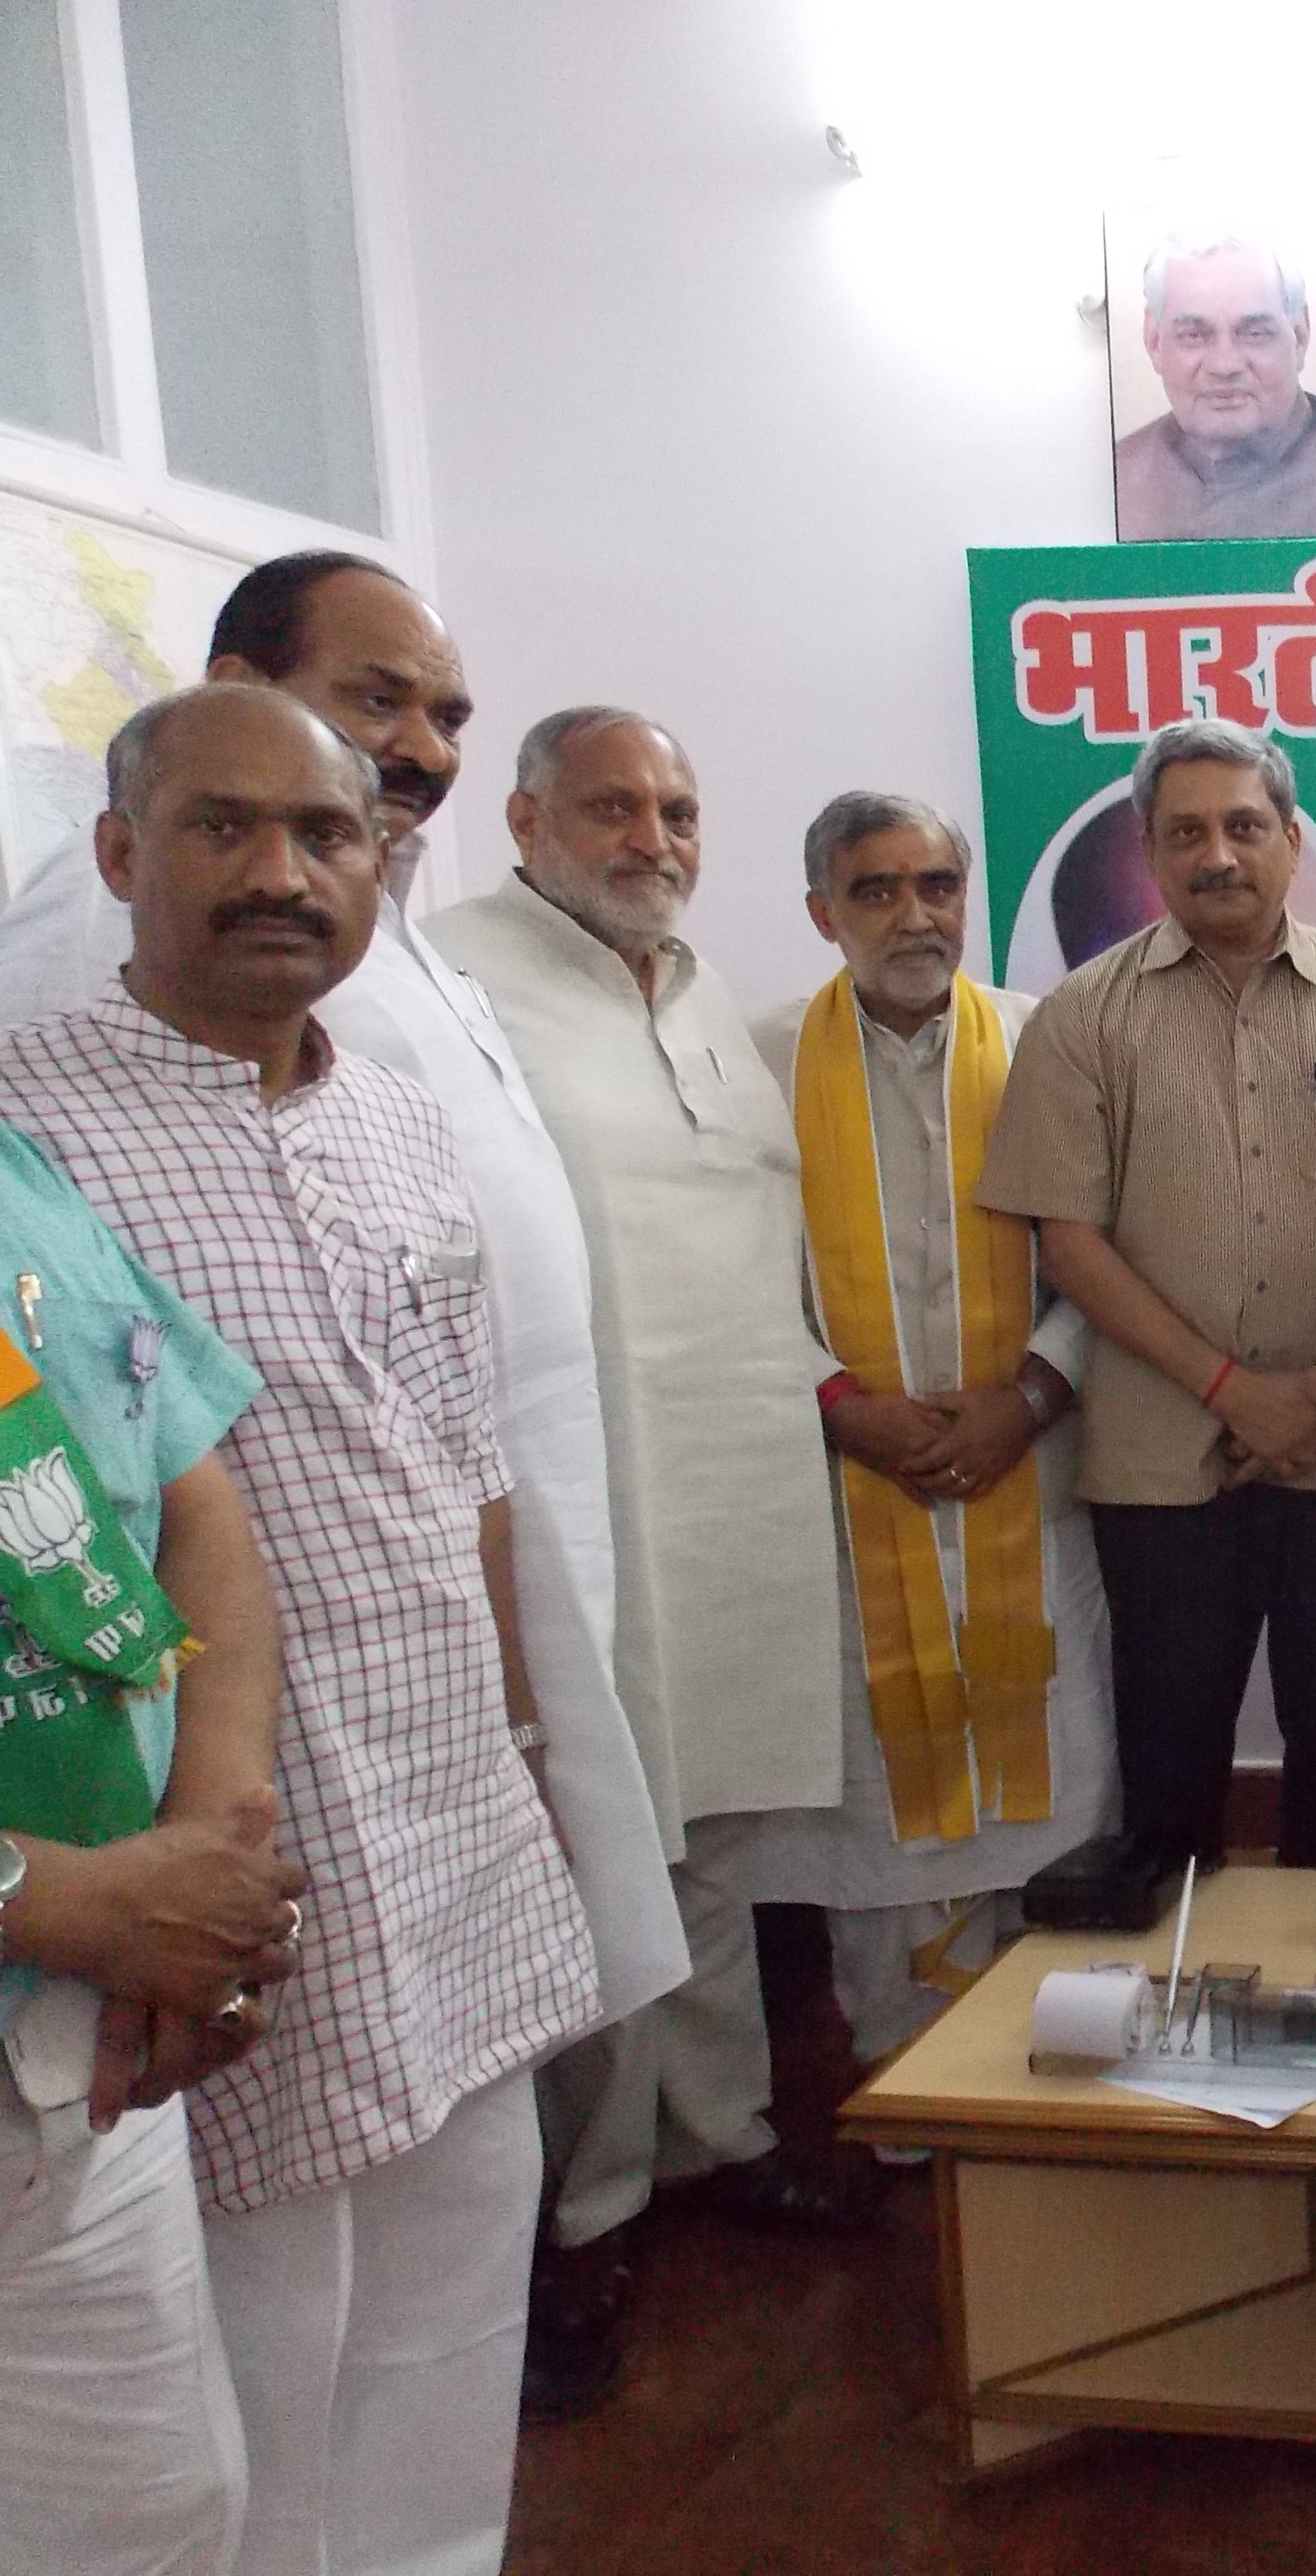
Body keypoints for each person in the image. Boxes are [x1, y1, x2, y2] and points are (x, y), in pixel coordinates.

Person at [0, 683, 602, 2572]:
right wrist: (193, 1855)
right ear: (118, 853)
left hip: (453, 1815)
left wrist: (521, 1740)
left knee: (453, 2313)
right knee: (258, 2372)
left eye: (325, 834)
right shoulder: (39, 1127)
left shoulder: (401, 1113)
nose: (283, 873)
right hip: (223, 1858)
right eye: (221, 827)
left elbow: (471, 1452)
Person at [432, 707, 863, 2383]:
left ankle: (723, 2135)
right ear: (528, 815)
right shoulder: (455, 984)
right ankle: (587, 2211)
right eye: (614, 806)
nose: (653, 837)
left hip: (733, 1489)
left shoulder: (700, 996)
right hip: (576, 1497)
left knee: (711, 1834)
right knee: (592, 1834)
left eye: (678, 808)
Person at [978, 721, 1316, 1873]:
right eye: (1187, 834)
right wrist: (1236, 1392)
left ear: (1291, 839)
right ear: (1152, 849)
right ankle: (1170, 2035)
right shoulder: (1084, 1016)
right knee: (1166, 1775)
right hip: (1162, 1467)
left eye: (1244, 826)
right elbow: (1070, 1244)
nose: (1218, 855)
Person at [739, 795, 1114, 2060]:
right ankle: (908, 2081)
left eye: (936, 886)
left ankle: (1043, 2079)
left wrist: (1034, 1395)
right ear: (821, 913)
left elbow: (1107, 1257)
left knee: (1048, 1784)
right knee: (887, 1814)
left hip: (1028, 1480)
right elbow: (719, 1280)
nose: (914, 916)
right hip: (855, 1501)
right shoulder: (753, 1064)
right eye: (877, 890)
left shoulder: (1043, 1043)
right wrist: (846, 1411)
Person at [0, 1125, 301, 2576]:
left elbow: (200, 1523)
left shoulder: (23, 1174)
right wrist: (56, 1902)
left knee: (166, 2525)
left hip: (84, 2064)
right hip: (78, 1960)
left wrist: (204, 1860)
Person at [1112, 230, 1316, 541]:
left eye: (1255, 333)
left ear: (1299, 336)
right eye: (1193, 335)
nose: (1224, 366)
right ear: (1154, 342)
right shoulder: (1114, 479)